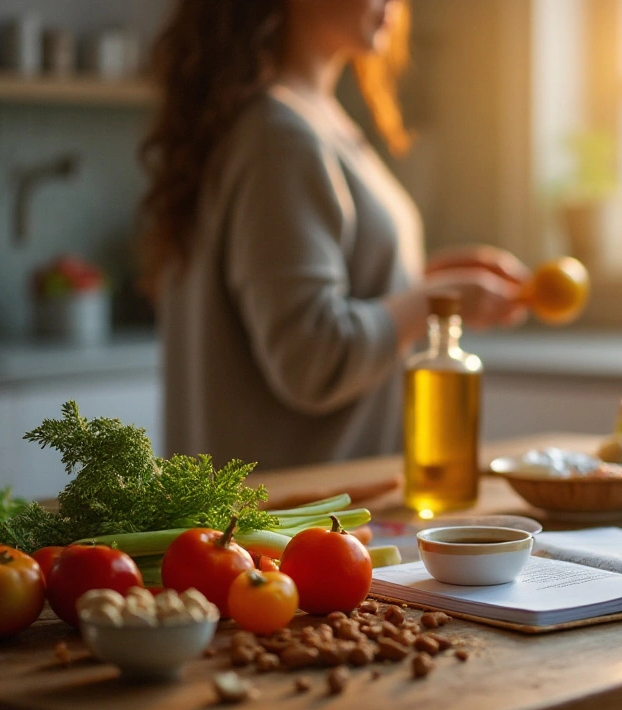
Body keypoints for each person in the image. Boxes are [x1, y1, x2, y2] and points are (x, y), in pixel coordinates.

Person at [139, 0, 528, 471]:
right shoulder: (279, 135)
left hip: (294, 522)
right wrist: (431, 302)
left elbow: (312, 291)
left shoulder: (302, 118)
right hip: (292, 524)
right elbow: (311, 358)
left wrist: (422, 281)